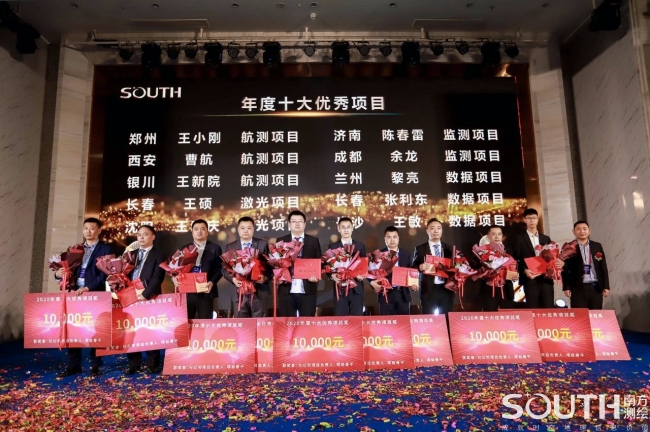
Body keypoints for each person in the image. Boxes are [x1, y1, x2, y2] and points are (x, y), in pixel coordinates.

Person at [56, 217, 113, 378]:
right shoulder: (75, 248)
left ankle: (95, 366)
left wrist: (88, 288)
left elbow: (105, 274)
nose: (88, 231)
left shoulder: (106, 249)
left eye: (92, 228)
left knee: (96, 329)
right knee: (74, 329)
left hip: (95, 293)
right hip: (75, 293)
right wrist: (58, 274)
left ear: (99, 230)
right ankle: (73, 366)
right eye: (86, 228)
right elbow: (67, 270)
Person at [125, 225, 166, 375]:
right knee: (132, 330)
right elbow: (123, 274)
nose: (141, 237)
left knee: (150, 330)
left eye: (145, 234)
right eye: (139, 234)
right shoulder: (131, 254)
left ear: (153, 237)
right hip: (130, 297)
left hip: (149, 297)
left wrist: (146, 294)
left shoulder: (159, 255)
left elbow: (158, 277)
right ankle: (133, 364)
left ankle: (152, 364)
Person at [510, 208, 564, 309]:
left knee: (548, 308)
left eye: (534, 218)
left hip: (545, 279)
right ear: (525, 220)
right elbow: (515, 259)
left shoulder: (545, 238)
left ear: (537, 220)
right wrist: (524, 270)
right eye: (529, 218)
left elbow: (552, 257)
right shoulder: (519, 238)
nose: (532, 221)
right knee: (533, 308)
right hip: (530, 279)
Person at [222, 217, 271, 318]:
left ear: (253, 229)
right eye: (242, 228)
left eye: (249, 228)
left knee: (260, 324)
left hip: (259, 291)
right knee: (242, 324)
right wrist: (233, 279)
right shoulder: (230, 247)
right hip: (239, 292)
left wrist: (265, 277)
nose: (245, 231)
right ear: (238, 229)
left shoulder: (262, 245)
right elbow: (224, 269)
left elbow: (271, 265)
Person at [277, 210, 322, 317]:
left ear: (305, 224)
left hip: (307, 289)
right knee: (287, 323)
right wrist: (278, 276)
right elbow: (277, 263)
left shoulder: (313, 241)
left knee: (307, 323)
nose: (297, 224)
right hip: (286, 290)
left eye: (300, 221)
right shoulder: (282, 240)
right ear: (289, 224)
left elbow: (319, 262)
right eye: (294, 221)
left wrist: (316, 276)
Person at [175, 219, 223, 319]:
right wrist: (174, 278)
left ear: (207, 232)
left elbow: (220, 269)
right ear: (192, 232)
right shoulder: (184, 248)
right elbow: (176, 267)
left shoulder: (215, 248)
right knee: (186, 321)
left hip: (205, 290)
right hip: (187, 291)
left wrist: (212, 282)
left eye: (202, 229)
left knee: (205, 322)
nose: (199, 232)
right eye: (196, 229)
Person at [561, 221, 610, 310]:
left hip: (595, 286)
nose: (582, 231)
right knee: (580, 315)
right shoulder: (569, 247)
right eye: (578, 229)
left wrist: (606, 286)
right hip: (577, 287)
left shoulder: (597, 246)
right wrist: (566, 287)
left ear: (589, 231)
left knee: (595, 314)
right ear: (573, 232)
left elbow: (603, 266)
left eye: (584, 229)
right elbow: (565, 269)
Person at [370, 226, 416, 315]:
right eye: (389, 237)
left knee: (403, 322)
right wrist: (371, 282)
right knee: (387, 322)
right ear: (385, 239)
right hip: (385, 295)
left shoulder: (405, 254)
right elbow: (370, 272)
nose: (392, 240)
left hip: (402, 294)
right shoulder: (378, 254)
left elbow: (411, 272)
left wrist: (413, 284)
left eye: (394, 237)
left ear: (398, 238)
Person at [413, 218, 454, 315]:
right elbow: (413, 268)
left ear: (441, 230)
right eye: (432, 228)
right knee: (429, 320)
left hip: (446, 289)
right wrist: (420, 267)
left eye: (438, 228)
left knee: (446, 318)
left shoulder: (449, 248)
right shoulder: (420, 249)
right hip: (428, 290)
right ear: (427, 231)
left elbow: (455, 267)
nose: (436, 231)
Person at [328, 217, 367, 316]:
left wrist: (362, 275)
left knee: (357, 319)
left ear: (352, 228)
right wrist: (332, 276)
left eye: (348, 227)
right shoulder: (333, 247)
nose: (346, 230)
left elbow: (364, 265)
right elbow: (328, 266)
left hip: (356, 288)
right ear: (339, 229)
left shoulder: (360, 246)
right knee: (341, 319)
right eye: (343, 227)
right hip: (340, 288)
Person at [476, 226, 518, 311]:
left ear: (502, 236)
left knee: (507, 316)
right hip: (488, 290)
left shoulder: (508, 251)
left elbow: (514, 268)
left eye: (499, 234)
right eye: (493, 234)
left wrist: (515, 275)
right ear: (488, 236)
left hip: (506, 289)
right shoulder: (482, 252)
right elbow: (477, 269)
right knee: (490, 315)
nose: (497, 237)